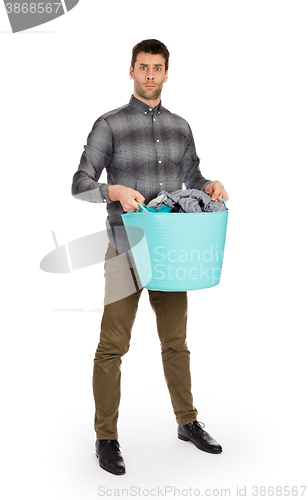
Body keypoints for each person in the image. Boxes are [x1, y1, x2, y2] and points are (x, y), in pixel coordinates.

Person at [71, 39, 229, 475]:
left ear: (166, 72)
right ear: (131, 70)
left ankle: (187, 422)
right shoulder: (110, 125)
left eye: (158, 68)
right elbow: (80, 182)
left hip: (173, 252)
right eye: (143, 67)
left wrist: (210, 183)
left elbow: (192, 175)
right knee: (112, 347)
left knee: (175, 343)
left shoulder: (181, 127)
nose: (150, 75)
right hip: (126, 250)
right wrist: (113, 191)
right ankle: (106, 438)